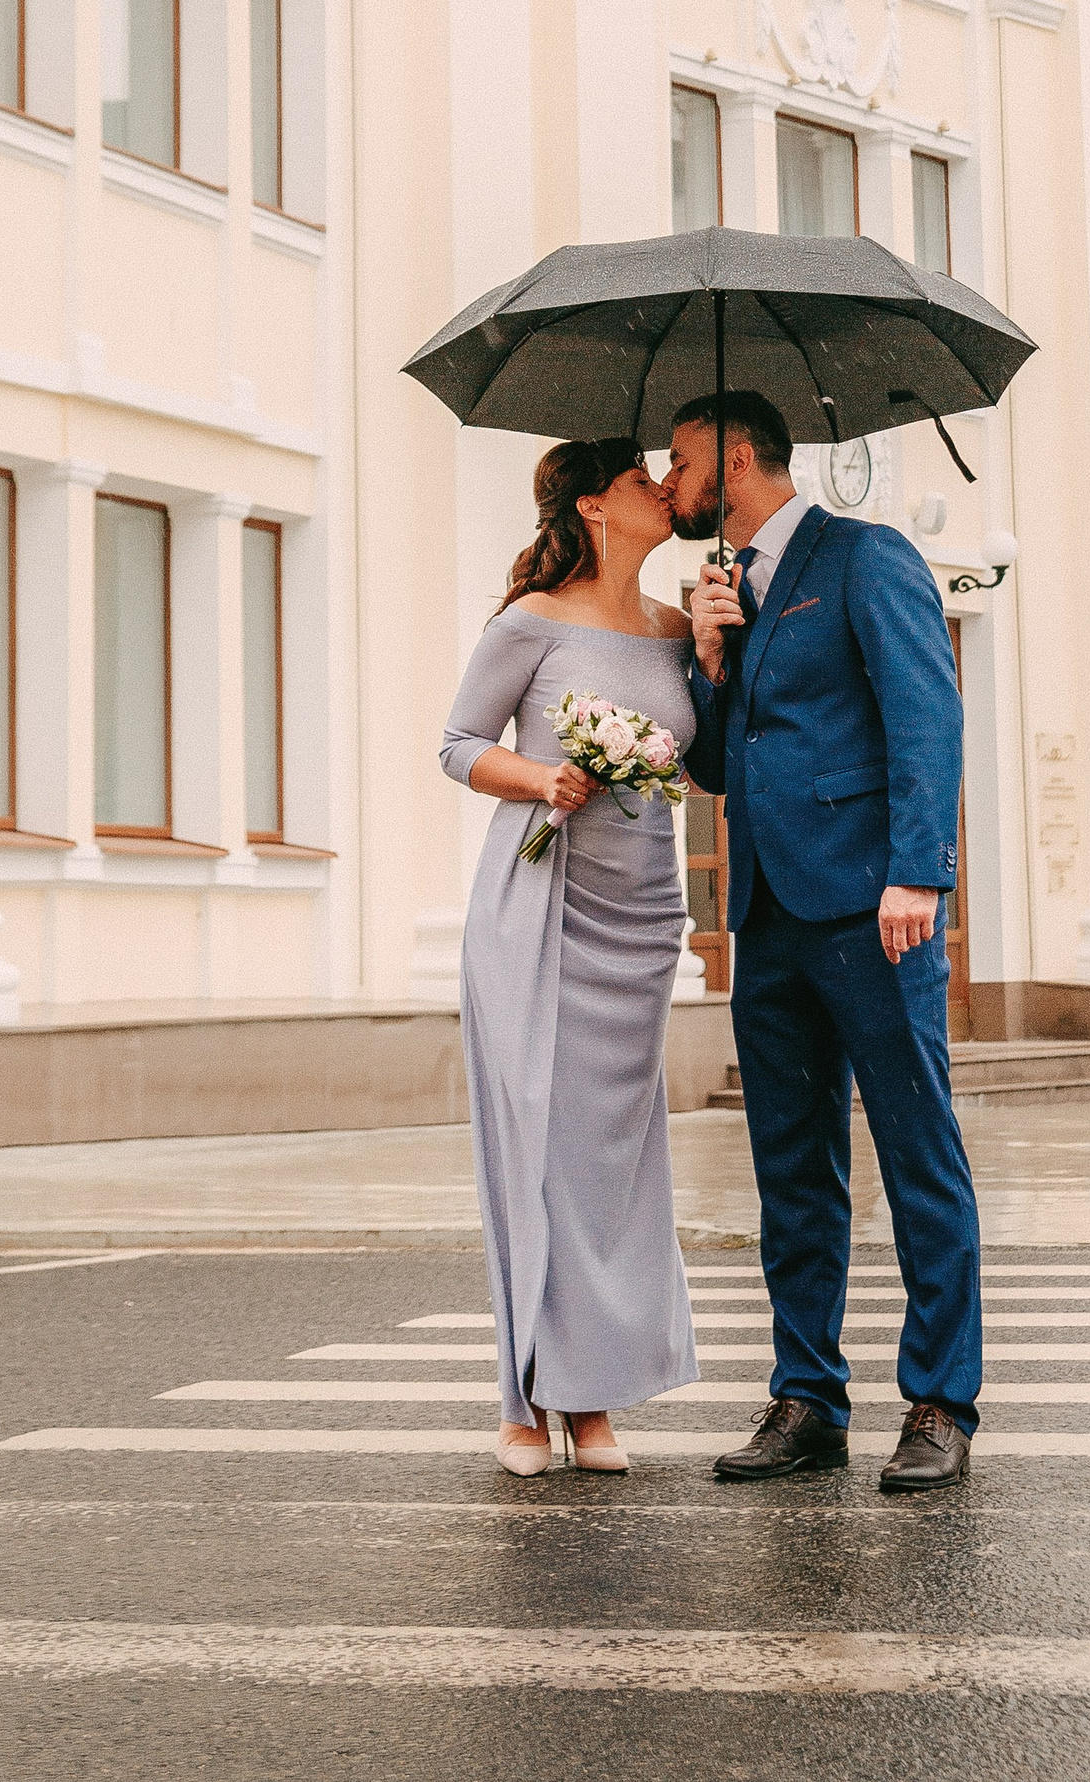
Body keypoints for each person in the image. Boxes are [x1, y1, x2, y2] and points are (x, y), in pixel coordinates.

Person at [667, 388, 980, 1495]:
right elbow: (714, 768)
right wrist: (711, 665)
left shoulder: (865, 556)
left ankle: (939, 1403)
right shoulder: (731, 593)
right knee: (791, 1170)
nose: (670, 480)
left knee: (915, 1154)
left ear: (738, 457)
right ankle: (807, 1399)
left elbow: (924, 714)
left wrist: (916, 870)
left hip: (868, 906)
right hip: (767, 917)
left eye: (681, 458)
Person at [439, 438, 699, 1475]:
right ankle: (520, 1404)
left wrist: (719, 656)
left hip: (640, 917)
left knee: (612, 1166)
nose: (663, 490)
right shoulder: (530, 624)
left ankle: (592, 1402)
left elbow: (707, 753)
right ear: (596, 506)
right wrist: (542, 780)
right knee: (536, 1152)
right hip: (540, 905)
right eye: (645, 480)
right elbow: (459, 744)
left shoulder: (679, 631)